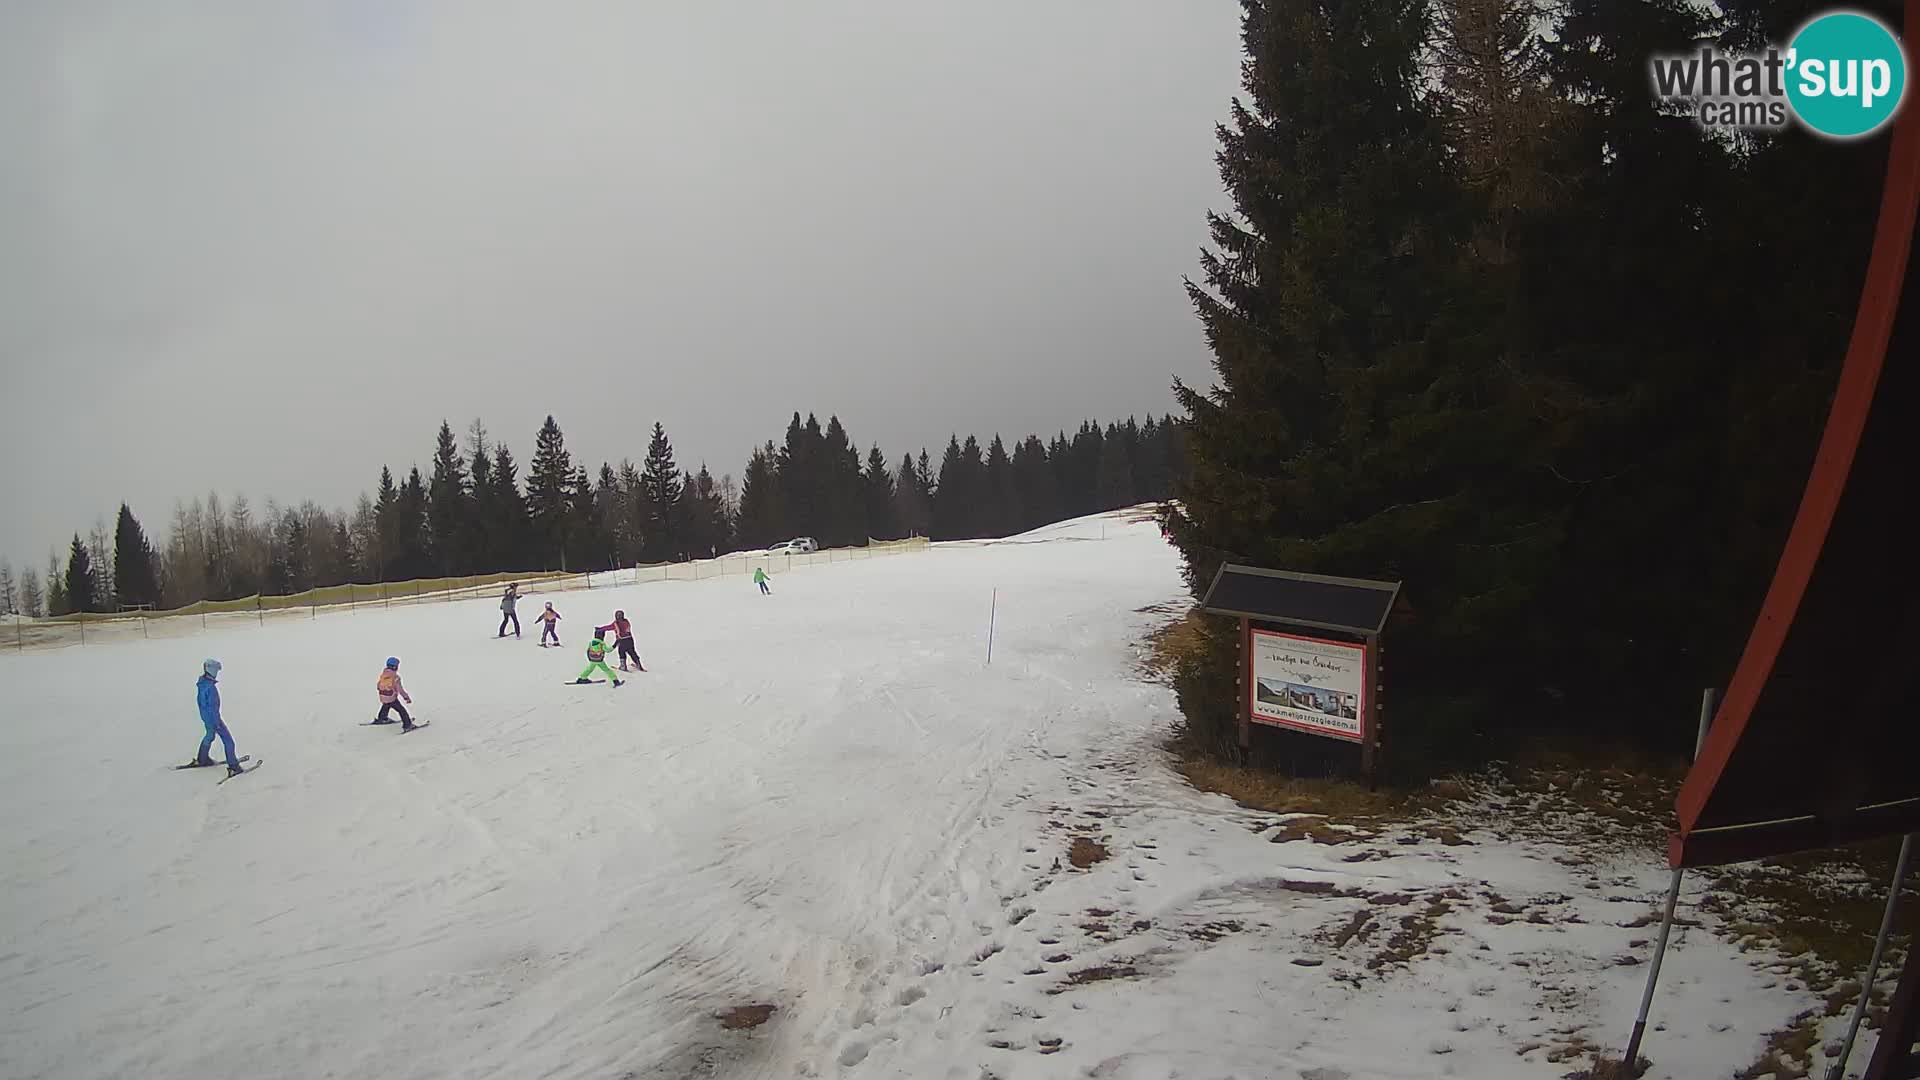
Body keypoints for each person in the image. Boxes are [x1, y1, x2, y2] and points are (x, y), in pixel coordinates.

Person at [194, 659, 244, 777]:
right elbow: (212, 707)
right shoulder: (210, 688)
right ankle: (233, 766)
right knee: (228, 741)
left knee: (209, 735)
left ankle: (203, 758)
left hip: (206, 717)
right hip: (213, 719)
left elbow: (202, 705)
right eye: (216, 670)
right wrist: (216, 722)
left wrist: (207, 719)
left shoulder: (202, 684)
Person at [374, 656, 416, 730]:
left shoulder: (384, 674)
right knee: (402, 710)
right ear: (395, 667)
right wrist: (406, 697)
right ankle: (407, 724)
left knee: (385, 705)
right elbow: (400, 690)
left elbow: (378, 685)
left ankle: (382, 718)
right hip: (391, 698)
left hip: (383, 696)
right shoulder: (395, 677)